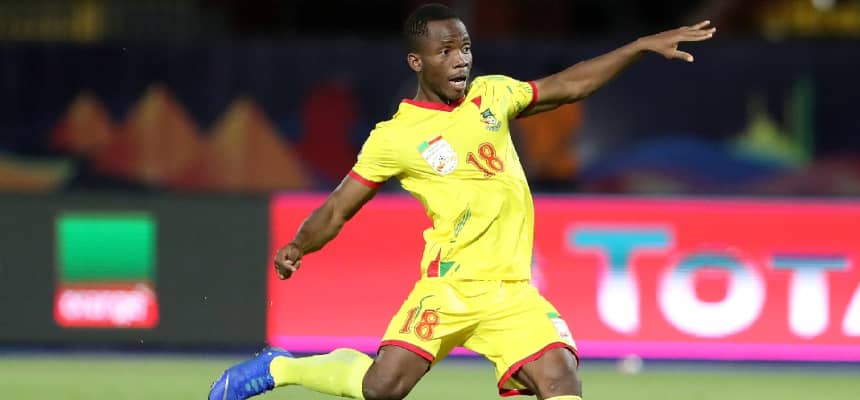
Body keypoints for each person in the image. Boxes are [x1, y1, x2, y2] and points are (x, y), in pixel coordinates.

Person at [208, 4, 714, 400]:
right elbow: (340, 206)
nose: (461, 60)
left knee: (560, 380)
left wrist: (638, 47)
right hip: (448, 287)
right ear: (418, 61)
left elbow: (568, 85)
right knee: (382, 388)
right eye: (446, 51)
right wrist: (300, 244)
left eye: (466, 48)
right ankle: (281, 367)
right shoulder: (396, 136)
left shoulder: (492, 95)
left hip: (512, 292)